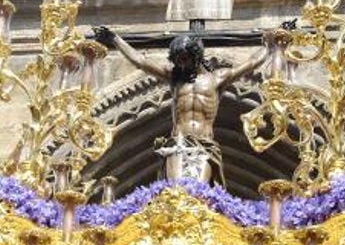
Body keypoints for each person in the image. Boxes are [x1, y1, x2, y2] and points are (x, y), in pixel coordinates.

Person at [93, 26, 266, 184]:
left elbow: (252, 63)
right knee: (176, 191)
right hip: (178, 143)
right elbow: (141, 61)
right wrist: (115, 39)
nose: (182, 65)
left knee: (198, 193)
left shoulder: (217, 79)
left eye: (185, 59)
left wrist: (272, 42)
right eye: (178, 61)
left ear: (196, 56)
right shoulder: (174, 78)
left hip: (204, 145)